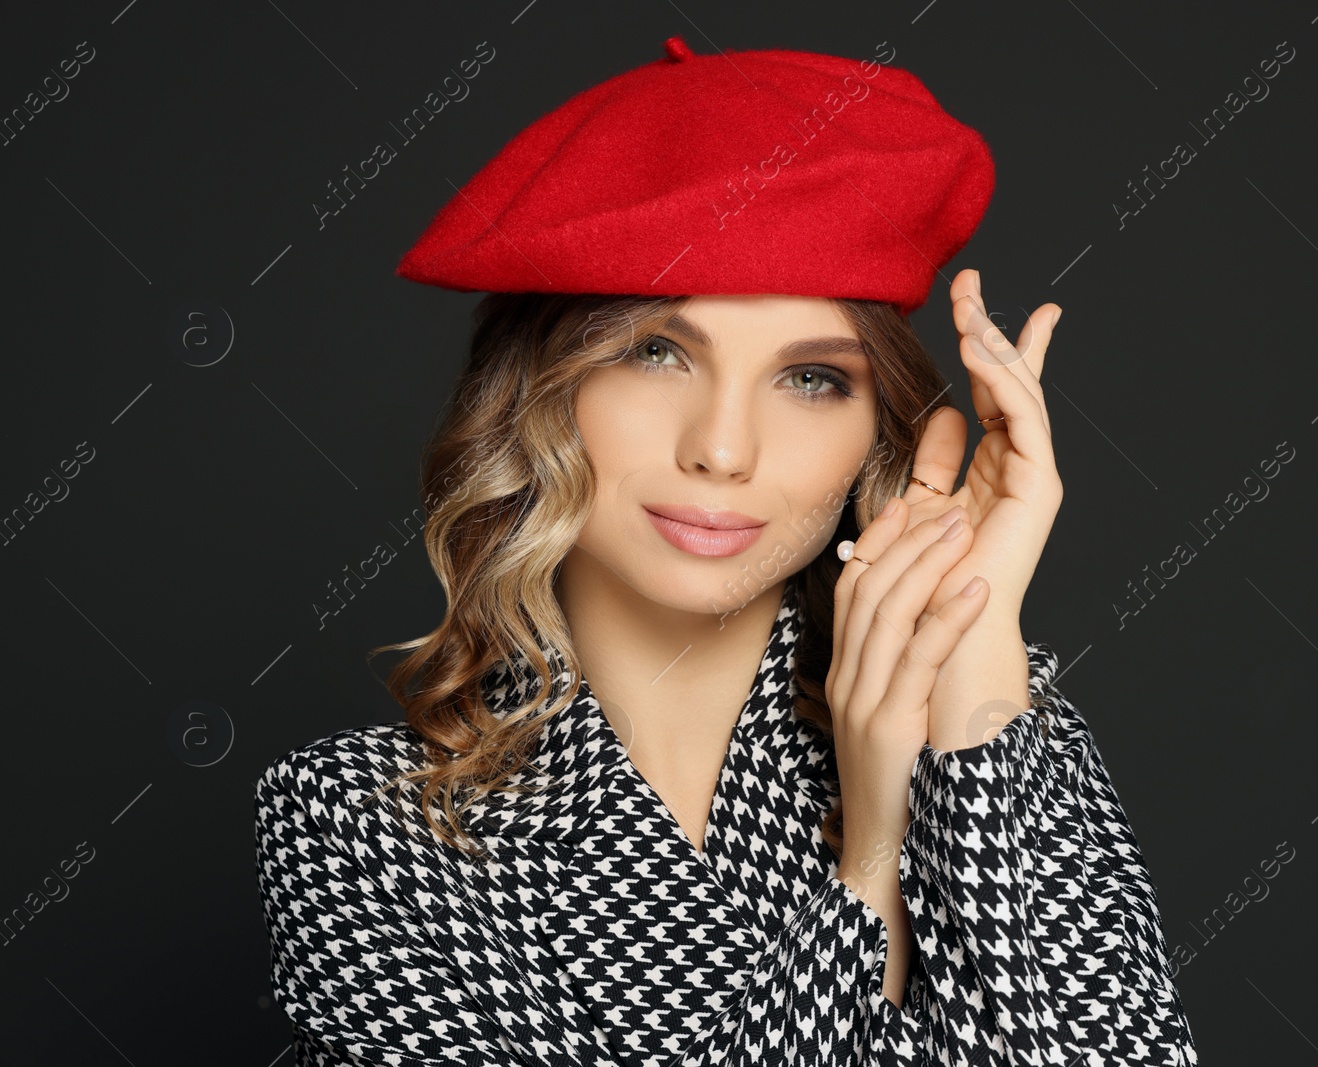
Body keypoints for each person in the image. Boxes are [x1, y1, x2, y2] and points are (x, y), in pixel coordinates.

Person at [253, 36, 1199, 1067]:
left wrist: (967, 659)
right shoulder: (361, 823)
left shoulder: (1006, 739)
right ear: (540, 391)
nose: (721, 449)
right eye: (655, 352)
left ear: (876, 431)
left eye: (810, 379)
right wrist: (868, 858)